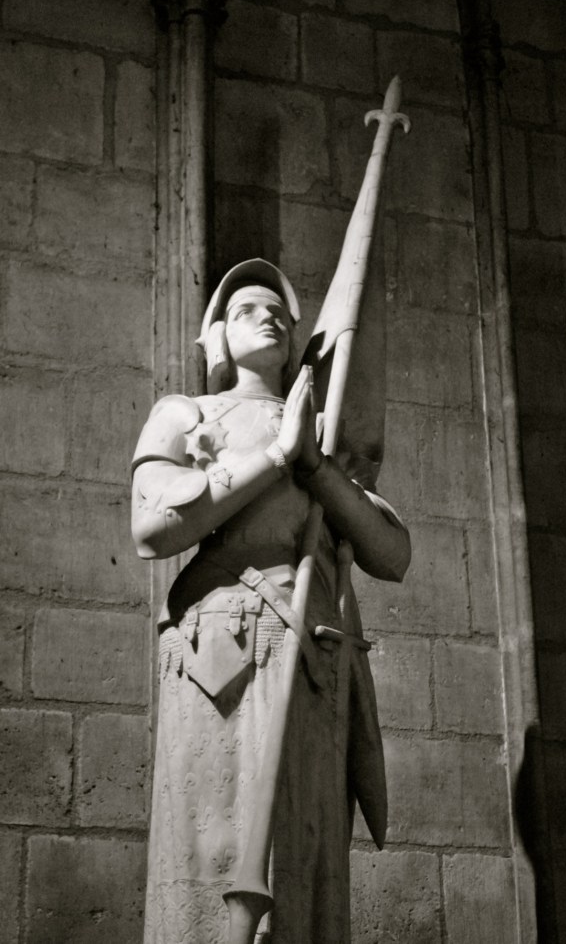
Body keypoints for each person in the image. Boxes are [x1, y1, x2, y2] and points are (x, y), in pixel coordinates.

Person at [132, 258, 411, 944]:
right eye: (247, 310)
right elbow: (153, 527)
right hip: (219, 650)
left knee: (304, 850)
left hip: (310, 653)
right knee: (212, 836)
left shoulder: (321, 429)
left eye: (280, 312)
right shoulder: (188, 413)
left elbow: (390, 552)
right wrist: (275, 458)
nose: (270, 319)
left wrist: (313, 463)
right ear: (219, 338)